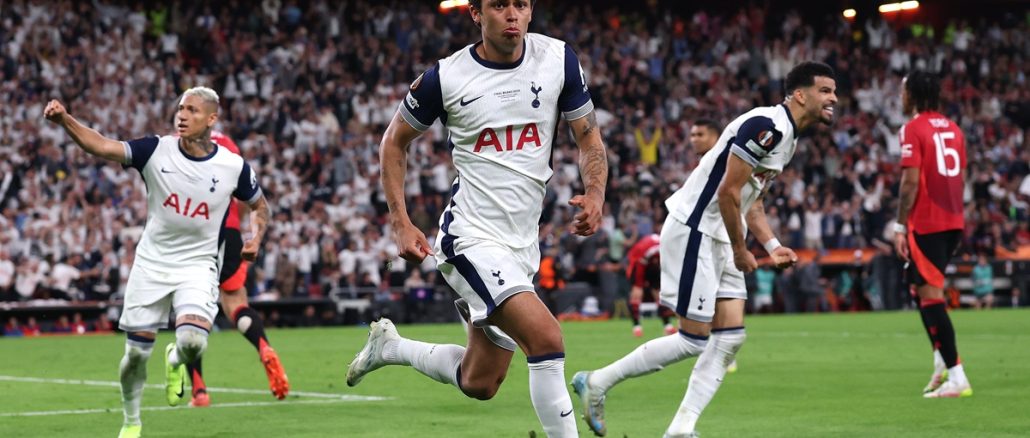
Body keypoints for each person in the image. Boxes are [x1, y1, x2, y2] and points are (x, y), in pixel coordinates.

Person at [345, 1, 608, 436]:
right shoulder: (446, 77)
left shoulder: (559, 60)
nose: (512, 14)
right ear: (476, 14)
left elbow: (589, 138)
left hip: (522, 244)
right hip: (470, 238)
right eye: (499, 4)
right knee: (546, 340)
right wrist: (400, 222)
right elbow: (393, 142)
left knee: (480, 381)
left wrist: (595, 193)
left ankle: (390, 348)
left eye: (520, 4)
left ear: (531, 11)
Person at [572, 61, 837, 438]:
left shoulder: (786, 137)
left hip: (720, 233)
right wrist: (742, 250)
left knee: (730, 337)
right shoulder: (767, 127)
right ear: (800, 95)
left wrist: (773, 245)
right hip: (696, 229)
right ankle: (597, 382)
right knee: (692, 339)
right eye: (825, 90)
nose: (833, 98)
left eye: (834, 91)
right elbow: (728, 192)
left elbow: (752, 201)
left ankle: (681, 429)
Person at [43, 87, 269, 438]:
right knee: (135, 356)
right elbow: (100, 145)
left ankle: (175, 359)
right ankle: (131, 421)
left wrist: (256, 237)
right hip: (151, 265)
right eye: (180, 108)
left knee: (193, 342)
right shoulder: (155, 150)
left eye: (192, 110)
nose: (182, 115)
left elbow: (259, 205)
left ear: (211, 119)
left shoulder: (232, 166)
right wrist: (64, 120)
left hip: (198, 265)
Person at [186, 131, 289, 408]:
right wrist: (239, 226)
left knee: (191, 309)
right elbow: (245, 195)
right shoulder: (227, 144)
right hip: (230, 231)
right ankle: (263, 347)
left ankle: (199, 391)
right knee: (235, 303)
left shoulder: (180, 141)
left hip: (196, 232)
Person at [892, 69, 971, 398]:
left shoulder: (913, 129)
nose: (901, 96)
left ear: (912, 94)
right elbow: (960, 177)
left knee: (930, 296)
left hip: (927, 222)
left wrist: (900, 225)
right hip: (952, 219)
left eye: (903, 90)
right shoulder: (954, 128)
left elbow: (909, 182)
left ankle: (957, 375)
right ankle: (941, 360)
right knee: (919, 290)